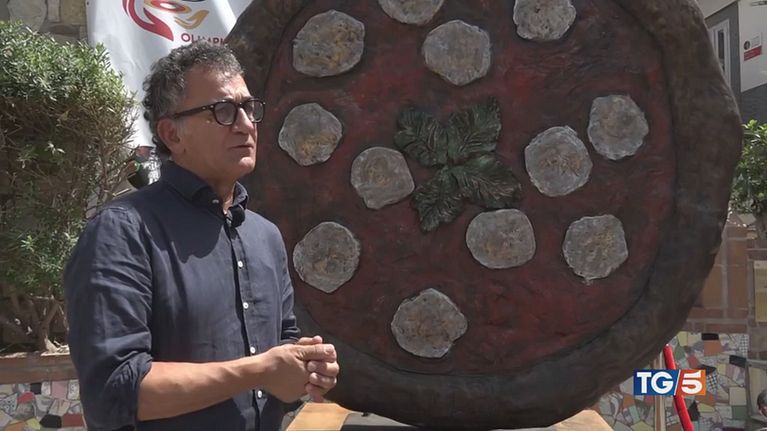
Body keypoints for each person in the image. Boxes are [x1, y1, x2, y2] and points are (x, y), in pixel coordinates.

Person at [64, 41, 339, 431]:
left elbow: (282, 352)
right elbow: (113, 391)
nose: (245, 124)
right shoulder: (122, 233)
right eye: (223, 110)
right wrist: (258, 370)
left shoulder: (264, 236)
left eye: (249, 108)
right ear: (171, 134)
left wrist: (306, 367)